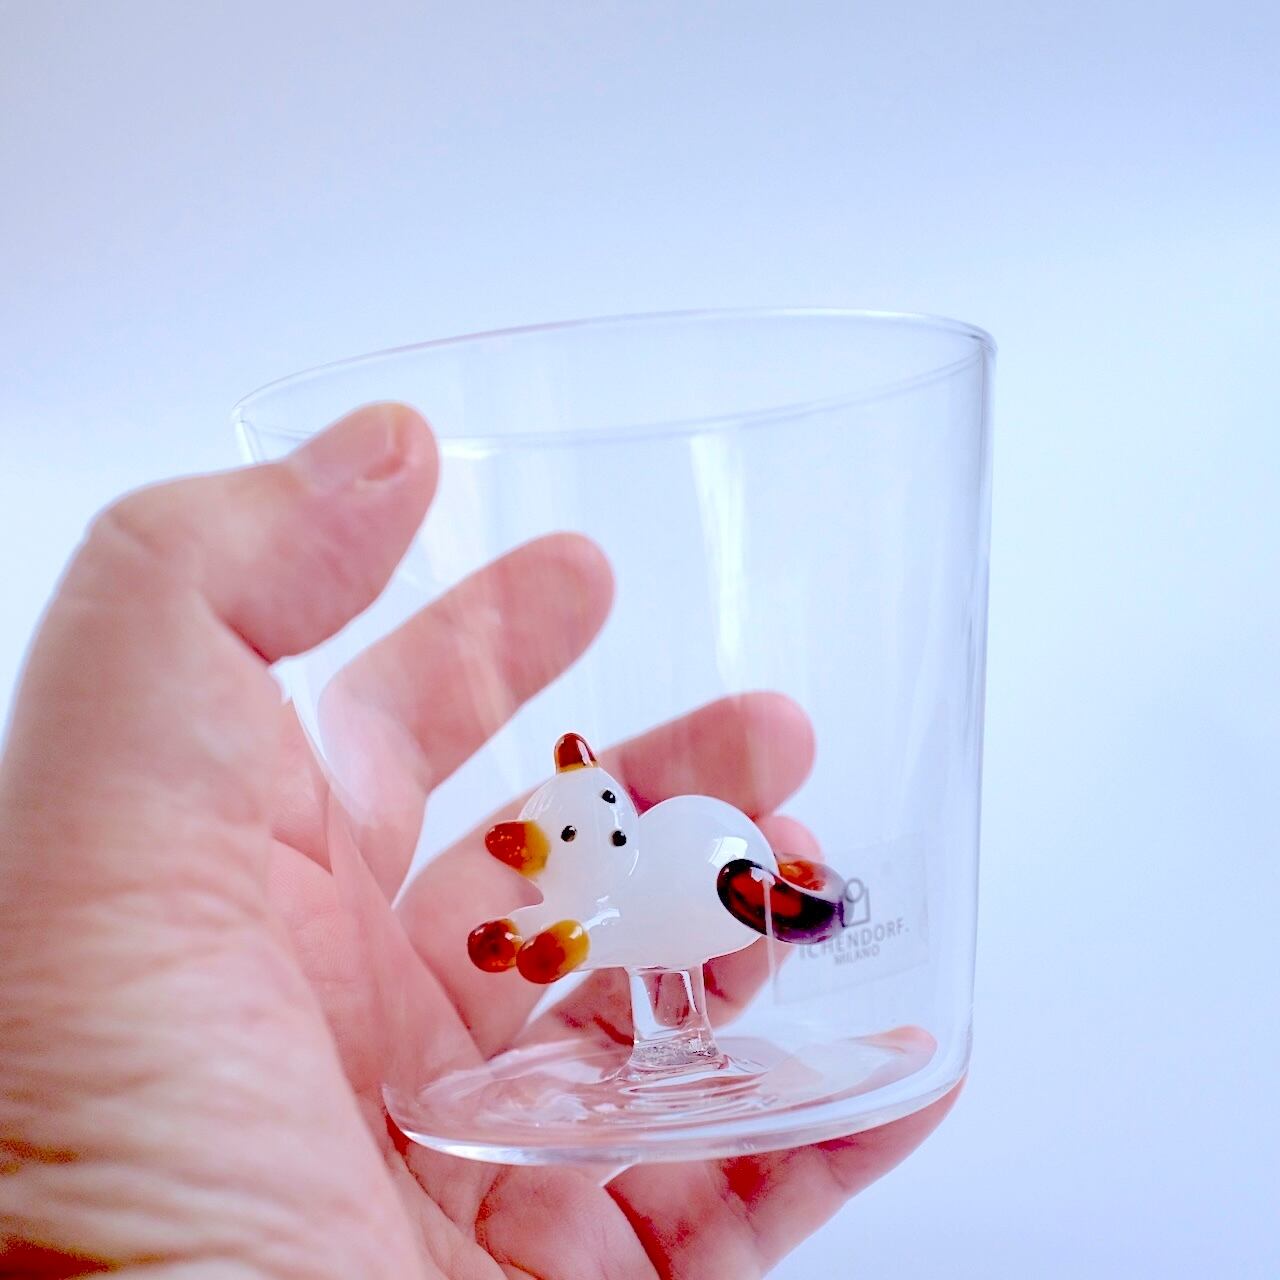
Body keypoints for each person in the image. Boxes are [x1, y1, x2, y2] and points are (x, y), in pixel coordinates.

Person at [0, 404, 956, 1278]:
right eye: (565, 834)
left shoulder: (613, 885)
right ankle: (676, 1036)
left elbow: (587, 933)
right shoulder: (588, 887)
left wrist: (550, 937)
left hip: (713, 869)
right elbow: (584, 926)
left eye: (592, 817)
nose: (592, 833)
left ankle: (699, 1014)